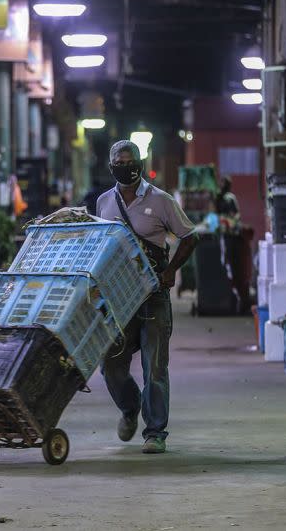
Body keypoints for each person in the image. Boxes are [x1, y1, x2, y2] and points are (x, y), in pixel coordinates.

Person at [95, 140, 199, 454]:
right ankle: (130, 408)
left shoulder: (161, 200)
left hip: (153, 295)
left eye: (130, 161)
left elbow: (189, 237)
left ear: (139, 164)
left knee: (155, 367)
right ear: (111, 166)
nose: (125, 166)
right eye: (119, 161)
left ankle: (155, 432)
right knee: (110, 364)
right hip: (119, 299)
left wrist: (171, 272)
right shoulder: (103, 203)